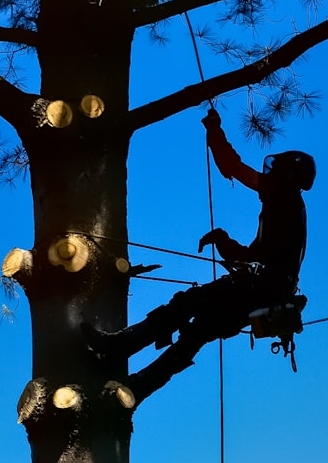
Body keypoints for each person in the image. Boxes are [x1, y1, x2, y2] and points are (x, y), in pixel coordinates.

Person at [86, 108, 315, 400]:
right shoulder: (286, 207)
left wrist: (214, 129)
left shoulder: (285, 204)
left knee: (189, 304)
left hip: (257, 290)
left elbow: (233, 167)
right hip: (264, 293)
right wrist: (223, 241)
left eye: (276, 171)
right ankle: (136, 387)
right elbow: (252, 255)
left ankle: (121, 347)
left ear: (288, 176)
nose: (267, 177)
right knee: (199, 330)